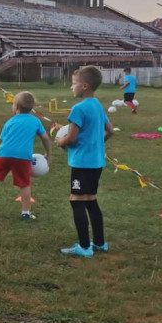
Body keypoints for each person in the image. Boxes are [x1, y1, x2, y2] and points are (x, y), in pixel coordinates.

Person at [55, 65, 112, 257]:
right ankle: (99, 243)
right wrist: (96, 144)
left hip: (82, 163)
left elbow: (71, 139)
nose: (72, 87)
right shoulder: (97, 105)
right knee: (91, 201)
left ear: (84, 86)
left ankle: (84, 247)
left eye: (74, 84)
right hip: (96, 162)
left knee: (77, 201)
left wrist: (59, 142)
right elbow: (110, 131)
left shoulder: (78, 108)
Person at [0, 91, 51, 221]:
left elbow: (3, 139)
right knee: (24, 184)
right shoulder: (35, 121)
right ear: (32, 108)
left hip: (3, 154)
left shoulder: (10, 122)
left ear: (15, 107)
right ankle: (25, 213)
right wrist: (48, 154)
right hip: (23, 157)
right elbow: (45, 138)